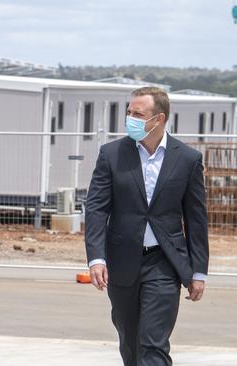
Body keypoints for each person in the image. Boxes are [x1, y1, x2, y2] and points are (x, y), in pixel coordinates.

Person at [85, 87, 209, 366]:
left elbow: (196, 219)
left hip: (164, 262)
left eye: (138, 114)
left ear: (159, 118)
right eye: (129, 112)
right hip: (122, 261)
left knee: (153, 345)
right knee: (130, 343)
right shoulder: (111, 154)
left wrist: (198, 271)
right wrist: (96, 257)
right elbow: (96, 208)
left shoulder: (187, 159)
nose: (130, 118)